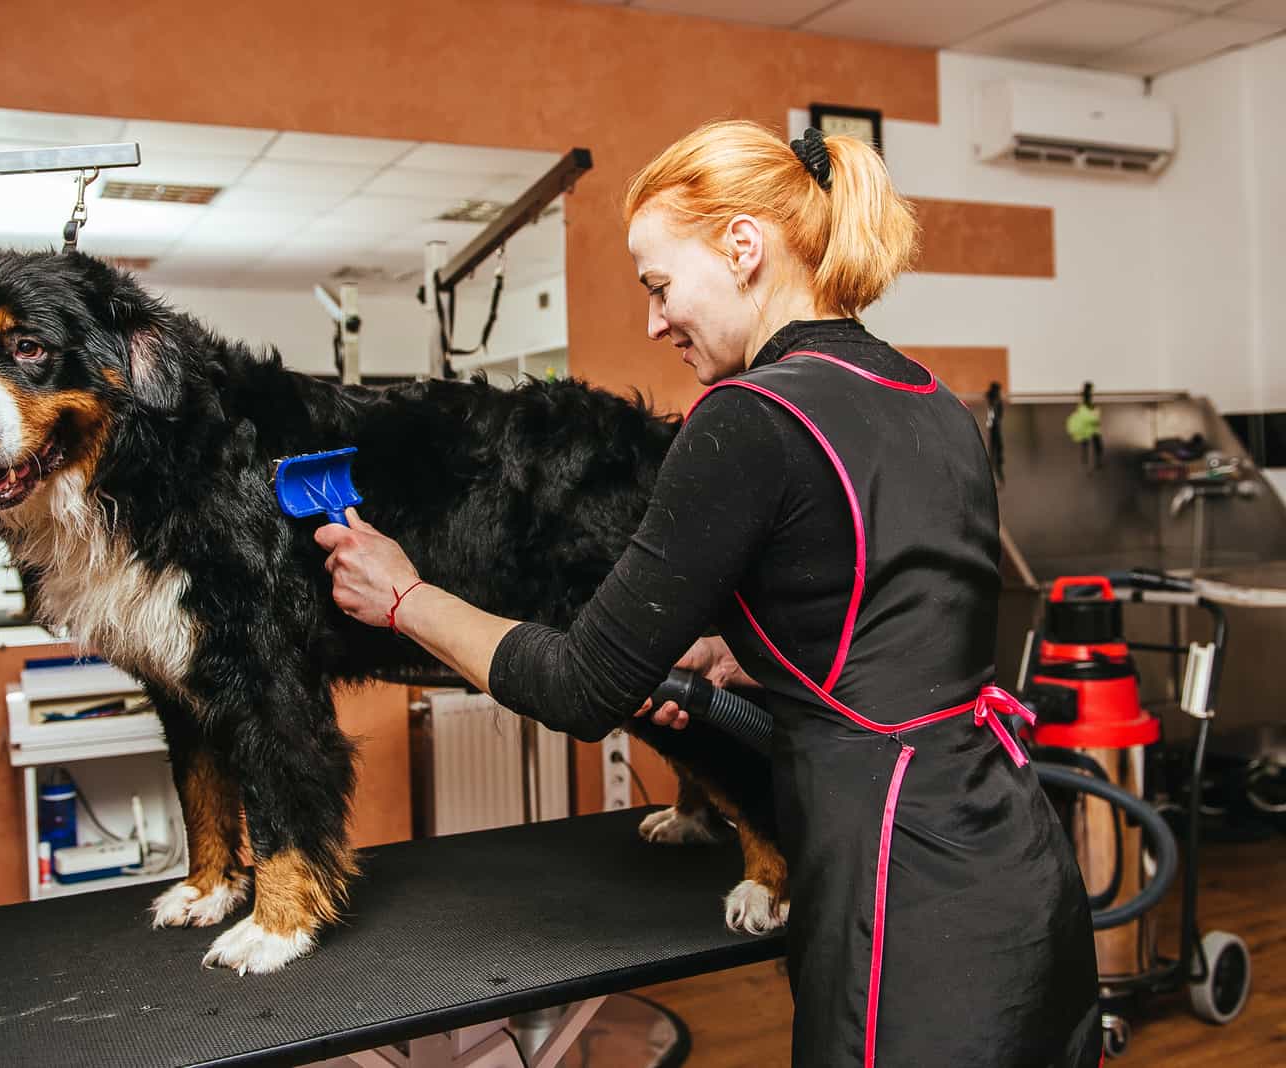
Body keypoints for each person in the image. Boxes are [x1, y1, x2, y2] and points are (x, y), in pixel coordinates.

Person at [315, 120, 1101, 1067]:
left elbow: (580, 688)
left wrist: (406, 597)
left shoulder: (746, 419)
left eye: (658, 285)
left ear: (742, 246)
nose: (653, 321)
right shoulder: (928, 398)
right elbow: (888, 622)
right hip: (1010, 854)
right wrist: (749, 650)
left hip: (901, 885)